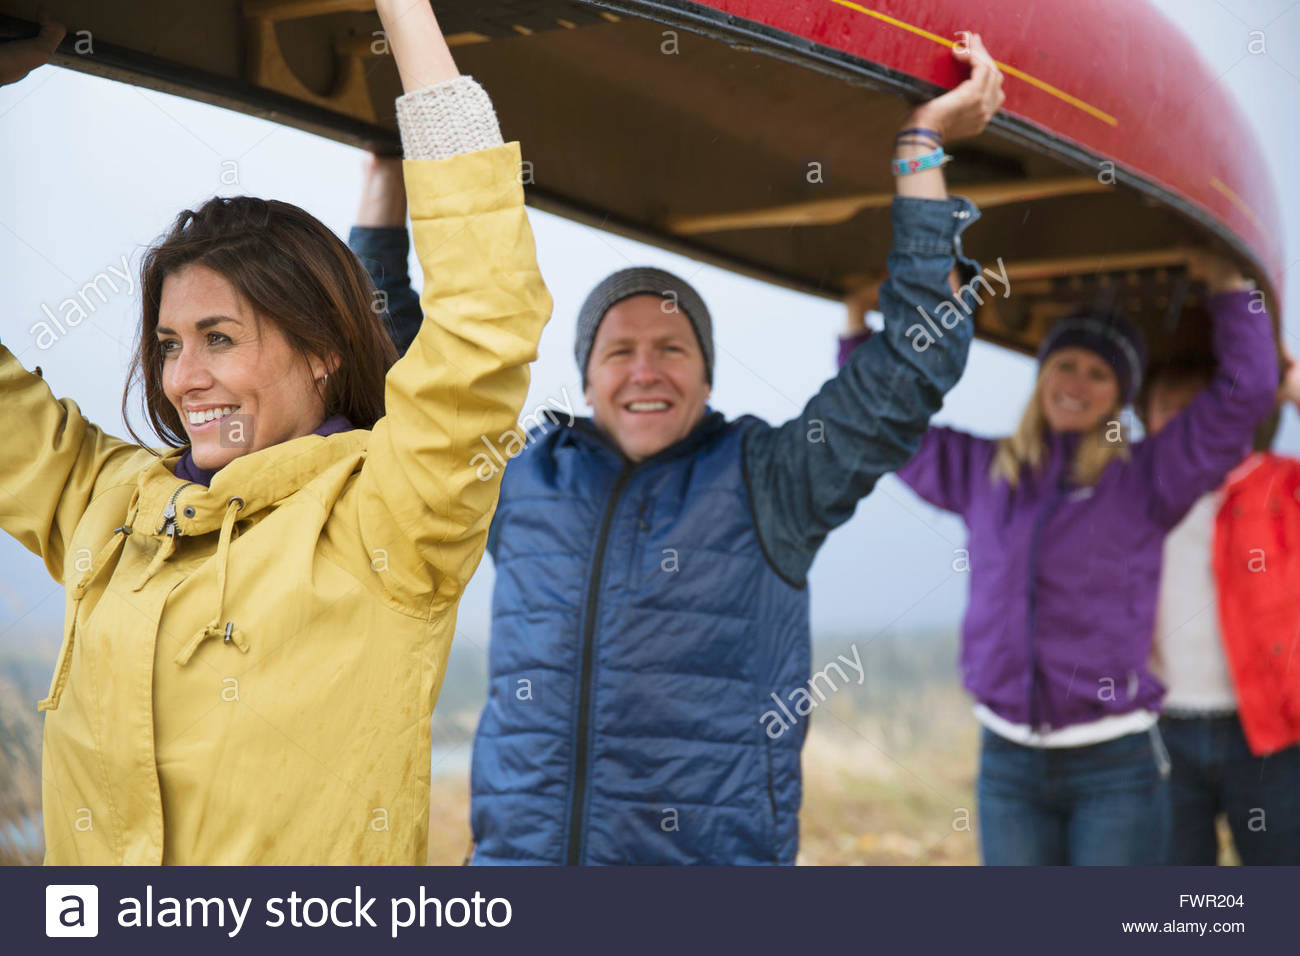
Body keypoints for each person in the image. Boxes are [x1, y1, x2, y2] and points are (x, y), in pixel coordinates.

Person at [352, 35, 1006, 864]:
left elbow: (919, 352)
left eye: (673, 349)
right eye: (618, 350)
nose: (645, 371)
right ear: (586, 379)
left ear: (705, 377)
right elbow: (402, 366)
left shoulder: (773, 479)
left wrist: (920, 147)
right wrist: (387, 174)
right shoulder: (520, 477)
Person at [0, 1, 552, 864]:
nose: (183, 379)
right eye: (170, 346)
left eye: (221, 339)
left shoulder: (391, 515)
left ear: (324, 348)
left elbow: (487, 314)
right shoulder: (102, 503)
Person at [837, 252, 1279, 864]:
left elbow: (1244, 395)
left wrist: (1230, 287)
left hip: (1114, 767)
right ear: (1042, 373)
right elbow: (880, 424)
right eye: (1065, 364)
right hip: (1008, 762)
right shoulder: (983, 471)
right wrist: (857, 325)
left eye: (1099, 374)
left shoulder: (1146, 478)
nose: (1076, 383)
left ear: (1121, 395)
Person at [1143, 349, 1300, 865]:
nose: (1187, 421)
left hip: (1269, 734)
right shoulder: (1129, 491)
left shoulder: (1279, 485)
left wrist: (1292, 389)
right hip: (1160, 732)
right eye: (1169, 406)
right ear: (1145, 416)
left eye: (1202, 405)